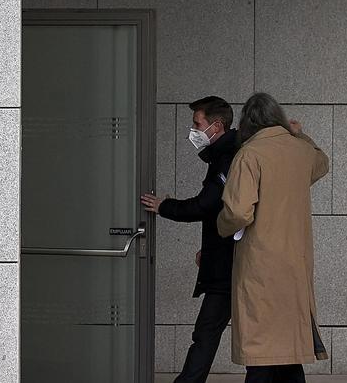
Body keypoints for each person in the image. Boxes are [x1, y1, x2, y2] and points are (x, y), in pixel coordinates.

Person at [216, 92, 329, 382]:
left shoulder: (249, 154)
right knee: (288, 354)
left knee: (262, 355)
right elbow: (322, 162)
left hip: (261, 267)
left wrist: (221, 225)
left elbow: (239, 212)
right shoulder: (301, 153)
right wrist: (300, 134)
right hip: (295, 267)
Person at [140, 96, 238, 383]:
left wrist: (164, 206)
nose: (192, 130)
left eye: (198, 123)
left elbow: (206, 205)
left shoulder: (229, 156)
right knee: (212, 332)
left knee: (207, 332)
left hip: (232, 265)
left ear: (216, 126)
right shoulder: (227, 153)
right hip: (228, 258)